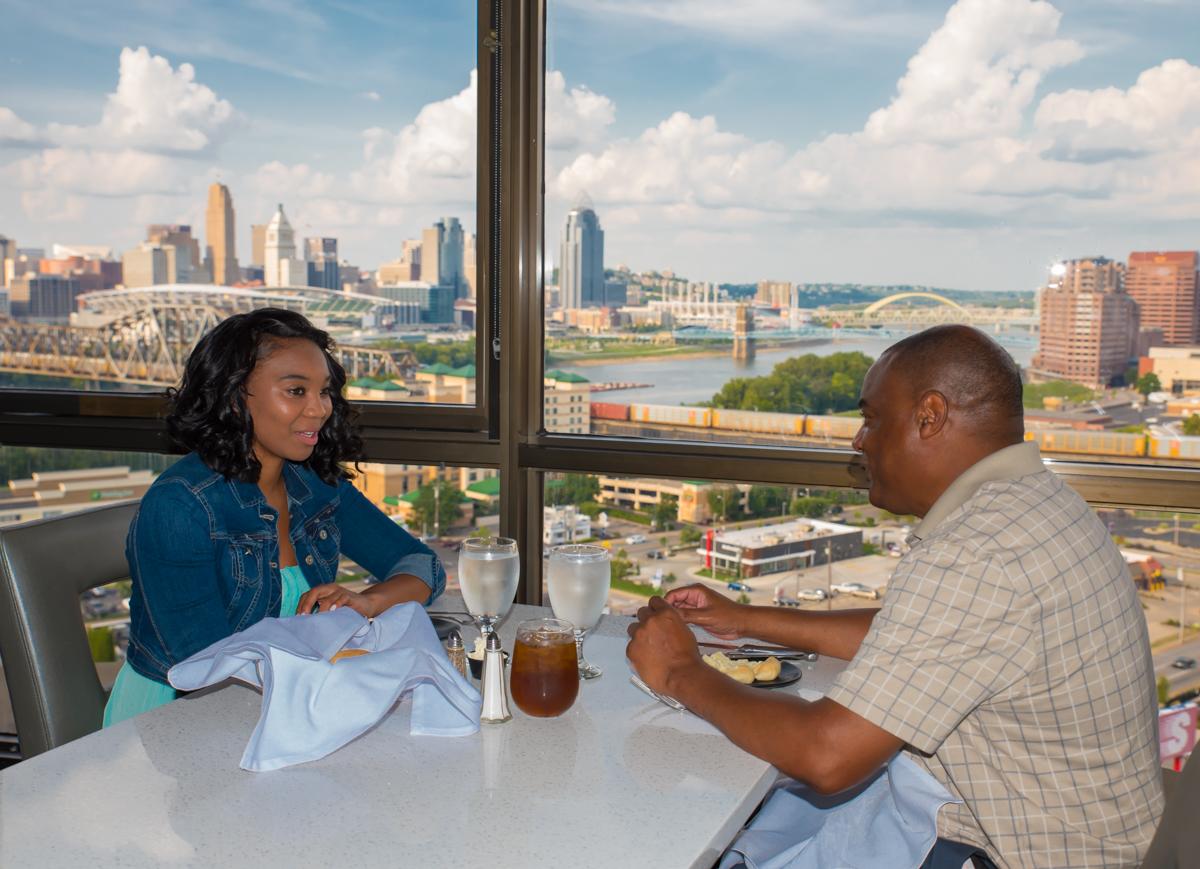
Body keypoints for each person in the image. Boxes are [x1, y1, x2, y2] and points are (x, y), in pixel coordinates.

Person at [626, 325, 1162, 869]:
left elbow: (827, 756)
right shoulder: (1034, 504)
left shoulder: (978, 550)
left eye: (873, 418)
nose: (860, 440)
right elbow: (920, 631)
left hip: (1002, 850)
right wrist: (743, 619)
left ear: (929, 416)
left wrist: (680, 673)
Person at [105, 309, 446, 727]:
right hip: (174, 724)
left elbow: (422, 566)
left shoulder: (314, 485)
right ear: (234, 399)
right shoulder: (180, 507)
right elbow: (209, 673)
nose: (320, 409)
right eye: (296, 391)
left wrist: (367, 602)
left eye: (324, 392)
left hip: (284, 703)